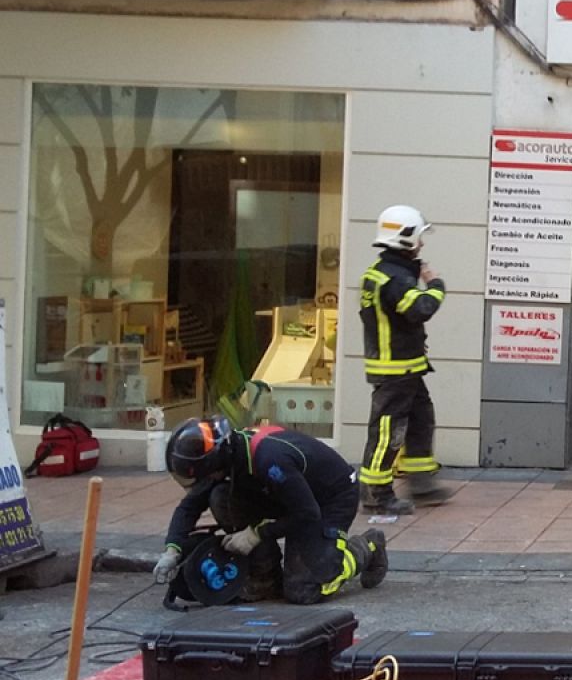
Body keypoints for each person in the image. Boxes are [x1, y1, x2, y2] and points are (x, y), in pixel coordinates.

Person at [154, 417, 388, 604]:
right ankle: (265, 576)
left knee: (303, 590)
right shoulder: (229, 454)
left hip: (328, 500)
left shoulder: (269, 459)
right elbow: (190, 505)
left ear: (212, 464)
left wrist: (256, 534)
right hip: (287, 494)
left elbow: (307, 513)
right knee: (220, 496)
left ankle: (367, 547)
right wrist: (172, 549)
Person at [359, 205, 447, 515]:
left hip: (405, 368)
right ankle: (377, 494)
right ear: (405, 238)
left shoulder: (383, 273)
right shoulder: (393, 278)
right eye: (419, 237)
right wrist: (435, 284)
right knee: (388, 433)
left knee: (421, 420)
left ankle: (421, 483)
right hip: (396, 370)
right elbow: (420, 308)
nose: (422, 244)